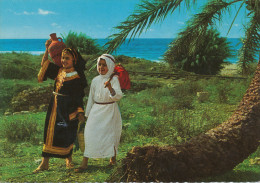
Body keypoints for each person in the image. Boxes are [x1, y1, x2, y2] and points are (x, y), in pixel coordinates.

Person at [33, 44, 87, 173]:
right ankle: (44, 163)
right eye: (62, 58)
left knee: (66, 133)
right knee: (48, 134)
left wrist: (79, 112)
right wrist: (47, 49)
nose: (64, 60)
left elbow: (78, 97)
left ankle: (69, 160)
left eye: (67, 58)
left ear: (74, 60)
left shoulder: (76, 77)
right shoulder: (59, 71)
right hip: (54, 107)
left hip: (67, 108)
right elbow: (45, 64)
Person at [75, 54, 123, 172]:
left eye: (104, 65)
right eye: (99, 64)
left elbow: (118, 96)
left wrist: (110, 87)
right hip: (96, 110)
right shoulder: (95, 80)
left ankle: (112, 159)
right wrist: (87, 114)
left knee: (110, 135)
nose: (101, 67)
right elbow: (91, 98)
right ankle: (85, 161)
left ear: (110, 66)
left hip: (110, 111)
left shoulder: (114, 79)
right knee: (89, 133)